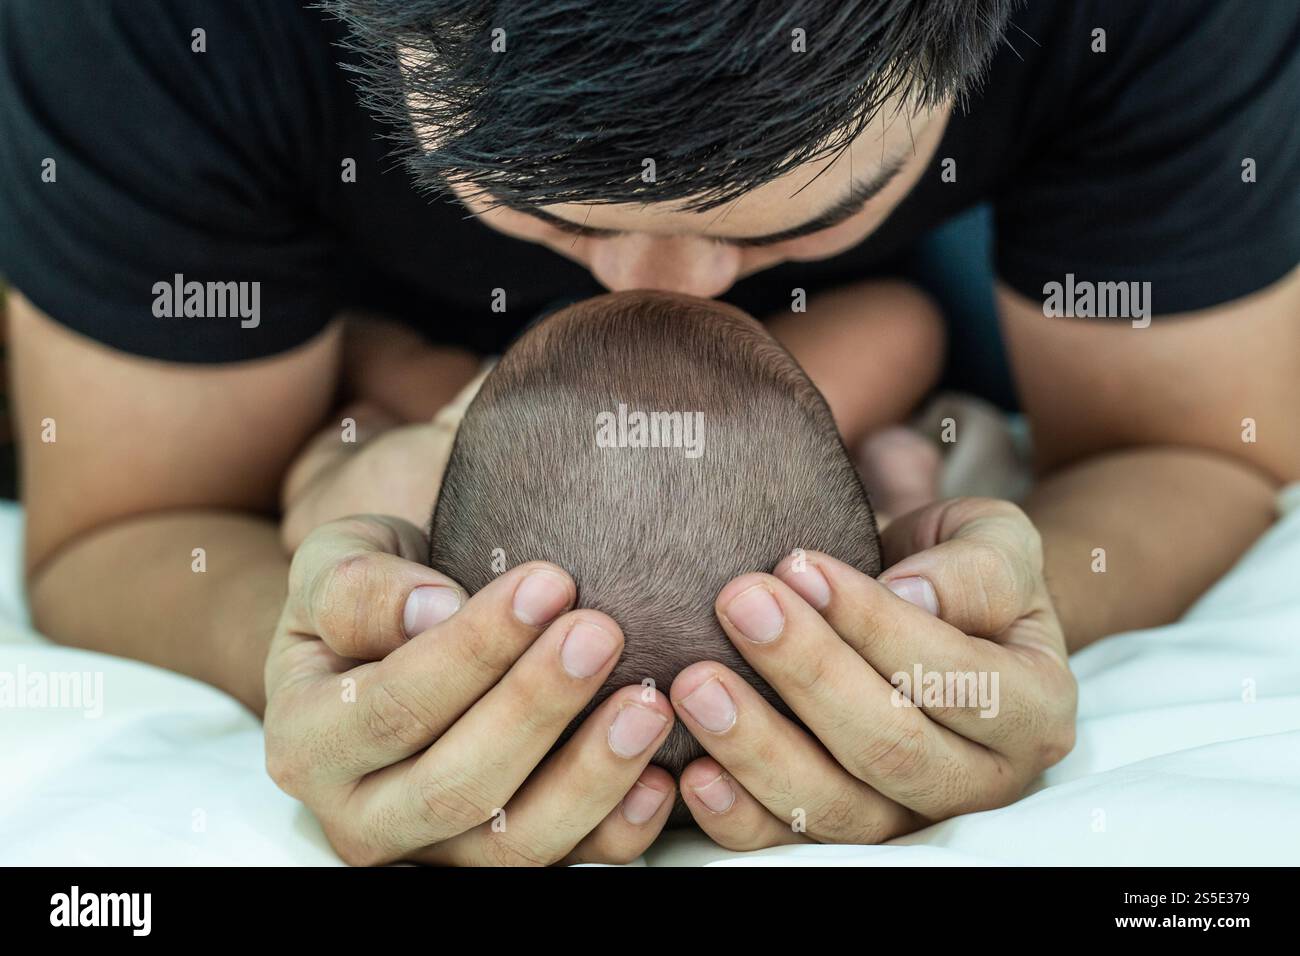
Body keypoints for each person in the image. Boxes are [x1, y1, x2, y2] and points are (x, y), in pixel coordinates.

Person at [1, 0, 1295, 864]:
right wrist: (312, 647)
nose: (661, 298)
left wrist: (973, 645)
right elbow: (126, 529)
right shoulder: (147, 32)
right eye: (549, 213)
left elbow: (1194, 448)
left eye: (784, 218)